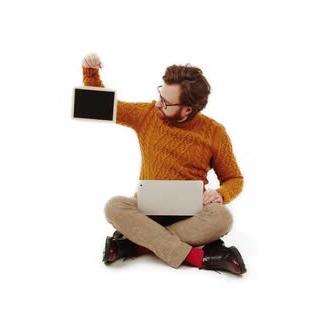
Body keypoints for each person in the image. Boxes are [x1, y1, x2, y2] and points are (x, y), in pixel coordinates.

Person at [82, 52, 246, 275]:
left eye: (166, 102)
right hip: (147, 209)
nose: (158, 103)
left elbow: (234, 178)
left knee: (223, 218)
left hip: (192, 213)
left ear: (187, 109)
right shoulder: (148, 114)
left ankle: (137, 242)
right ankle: (198, 257)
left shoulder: (215, 132)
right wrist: (91, 74)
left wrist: (222, 193)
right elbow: (96, 105)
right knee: (114, 206)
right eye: (160, 94)